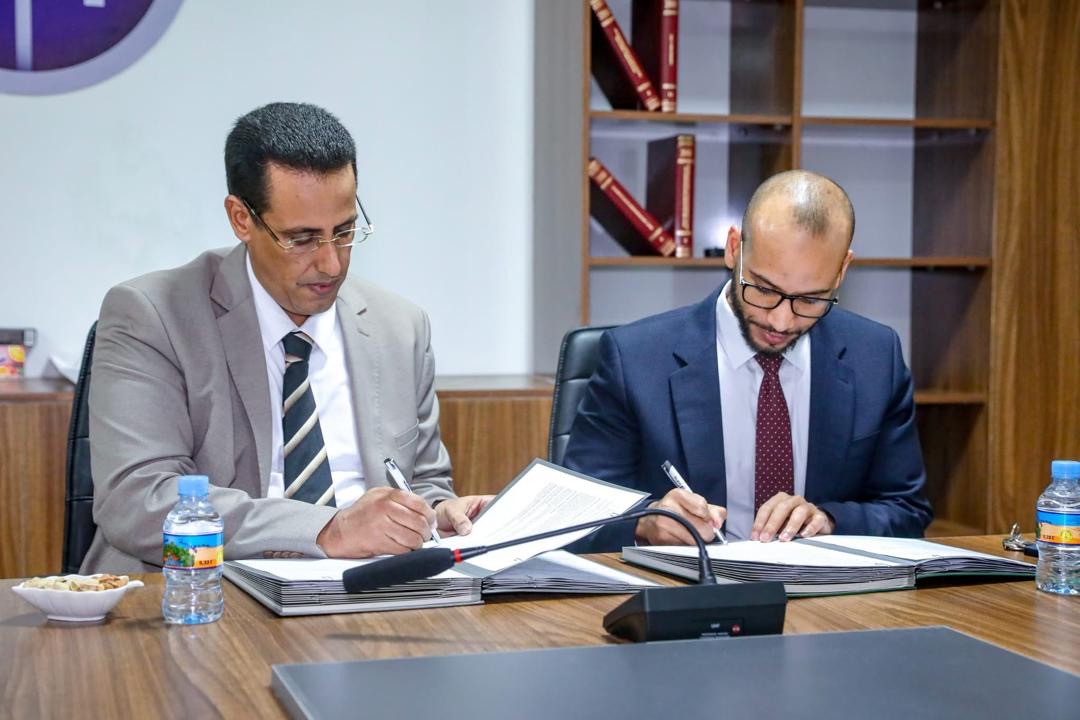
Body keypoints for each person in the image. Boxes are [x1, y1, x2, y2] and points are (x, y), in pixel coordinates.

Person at [83, 102, 490, 573]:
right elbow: (138, 499)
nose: (331, 264)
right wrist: (325, 530)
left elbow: (422, 482)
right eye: (301, 239)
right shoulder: (154, 316)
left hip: (367, 591)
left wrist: (439, 513)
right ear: (241, 219)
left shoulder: (400, 327)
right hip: (204, 585)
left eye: (344, 231)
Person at [564, 170, 932, 552]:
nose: (781, 321)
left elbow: (907, 512)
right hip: (690, 586)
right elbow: (574, 517)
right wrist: (645, 522)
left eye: (811, 299)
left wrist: (830, 521)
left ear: (842, 271)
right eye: (764, 290)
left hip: (820, 587)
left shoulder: (876, 357)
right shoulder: (636, 359)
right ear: (733, 249)